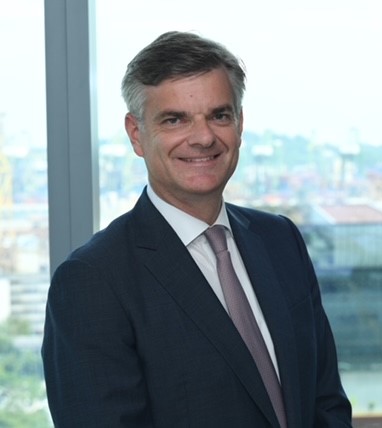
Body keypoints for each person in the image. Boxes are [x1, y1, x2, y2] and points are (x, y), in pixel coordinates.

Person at [41, 31, 352, 427]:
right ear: (137, 135)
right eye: (175, 119)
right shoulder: (92, 282)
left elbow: (326, 402)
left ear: (240, 124)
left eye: (219, 115)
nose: (204, 137)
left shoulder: (280, 240)